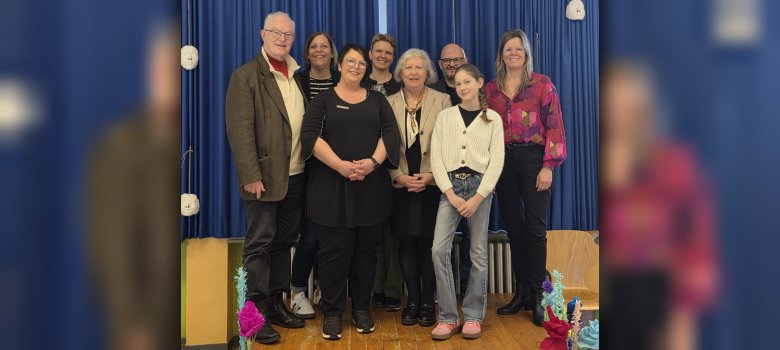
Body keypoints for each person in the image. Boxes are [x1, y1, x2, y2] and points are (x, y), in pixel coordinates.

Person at [300, 43, 400, 340]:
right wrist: (341, 166)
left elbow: (390, 133)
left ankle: (360, 309)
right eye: (350, 62)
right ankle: (332, 313)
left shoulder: (378, 101)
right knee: (333, 255)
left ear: (365, 68)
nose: (356, 67)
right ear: (339, 65)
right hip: (330, 190)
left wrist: (371, 163)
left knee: (365, 254)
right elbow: (310, 136)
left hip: (371, 190)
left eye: (360, 63)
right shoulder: (323, 101)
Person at [224, 11, 307, 344]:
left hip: (296, 175)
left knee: (283, 243)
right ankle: (254, 319)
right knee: (259, 245)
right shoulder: (246, 76)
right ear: (263, 34)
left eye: (288, 34)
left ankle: (275, 305)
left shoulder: (297, 75)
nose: (282, 38)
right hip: (263, 179)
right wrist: (250, 175)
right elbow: (240, 130)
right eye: (276, 32)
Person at [486, 29, 567, 326]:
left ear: (526, 53)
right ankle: (520, 291)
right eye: (508, 49)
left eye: (518, 48)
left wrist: (549, 166)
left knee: (534, 229)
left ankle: (537, 295)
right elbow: (486, 133)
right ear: (502, 54)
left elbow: (555, 126)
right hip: (503, 160)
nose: (514, 53)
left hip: (534, 159)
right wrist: (489, 173)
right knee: (513, 229)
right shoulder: (491, 90)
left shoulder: (542, 84)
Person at [430, 64, 504, 340]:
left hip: (479, 189)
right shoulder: (446, 117)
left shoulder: (492, 119)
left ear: (479, 82)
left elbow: (496, 162)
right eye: (458, 83)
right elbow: (436, 157)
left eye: (467, 82)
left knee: (478, 254)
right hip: (450, 187)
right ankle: (448, 317)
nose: (462, 87)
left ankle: (473, 316)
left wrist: (478, 197)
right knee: (439, 249)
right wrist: (449, 192)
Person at [386, 48, 451, 327]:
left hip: (432, 185)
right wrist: (397, 176)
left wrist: (433, 176)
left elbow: (450, 145)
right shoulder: (387, 102)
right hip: (400, 184)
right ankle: (412, 300)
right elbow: (381, 146)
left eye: (419, 68)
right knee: (406, 243)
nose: (413, 72)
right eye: (408, 67)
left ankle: (428, 302)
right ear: (400, 73)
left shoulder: (444, 100)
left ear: (428, 73)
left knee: (428, 244)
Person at [288, 31, 340, 319]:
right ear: (307, 54)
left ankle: (323, 287)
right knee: (309, 235)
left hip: (337, 167)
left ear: (332, 53)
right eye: (314, 47)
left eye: (325, 46)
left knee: (332, 234)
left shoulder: (341, 83)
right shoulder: (297, 82)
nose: (319, 51)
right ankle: (297, 291)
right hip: (306, 167)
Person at [429, 42, 473, 296]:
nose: (452, 64)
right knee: (438, 242)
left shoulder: (478, 91)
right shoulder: (431, 91)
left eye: (457, 59)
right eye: (447, 61)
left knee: (472, 242)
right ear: (439, 64)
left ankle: (467, 290)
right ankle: (439, 292)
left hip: (473, 179)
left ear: (465, 60)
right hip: (439, 177)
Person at [364, 34, 404, 311]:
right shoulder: (359, 83)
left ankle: (392, 289)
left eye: (388, 52)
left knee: (395, 233)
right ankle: (372, 287)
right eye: (378, 51)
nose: (382, 56)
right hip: (365, 166)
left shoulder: (401, 86)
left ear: (393, 57)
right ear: (370, 54)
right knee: (370, 232)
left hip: (395, 165)